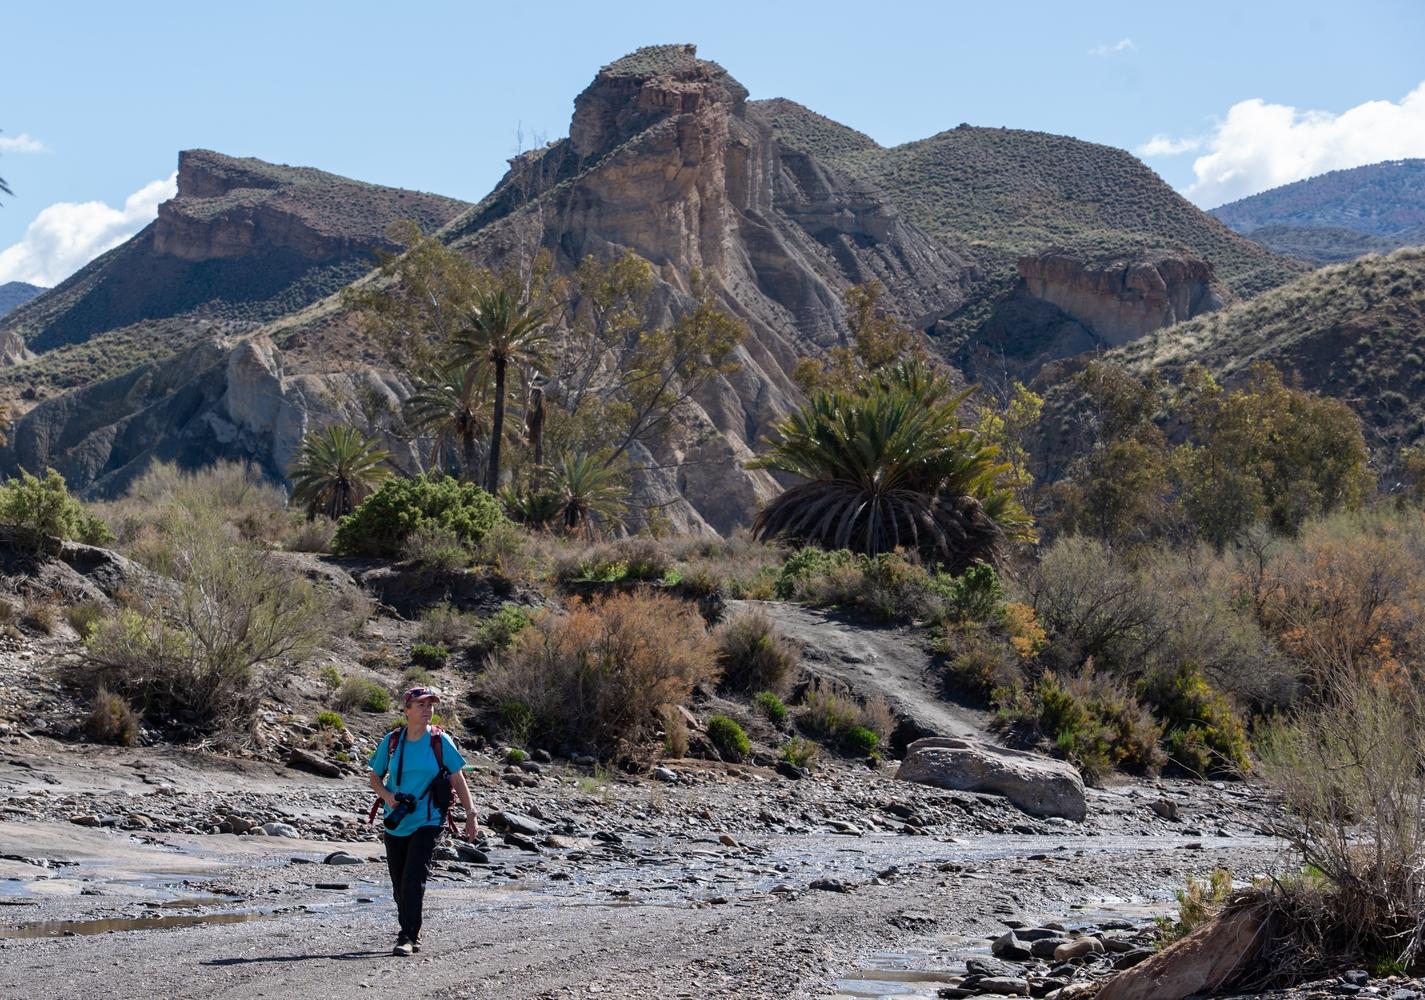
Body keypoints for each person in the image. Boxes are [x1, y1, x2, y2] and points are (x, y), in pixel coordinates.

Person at [368, 686, 479, 956]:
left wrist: (471, 814)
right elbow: (374, 777)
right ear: (406, 710)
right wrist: (388, 796)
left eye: (431, 705)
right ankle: (410, 927)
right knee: (398, 883)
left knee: (413, 878)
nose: (427, 710)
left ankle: (407, 936)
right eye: (421, 705)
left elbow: (457, 778)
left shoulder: (440, 741)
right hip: (396, 820)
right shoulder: (392, 741)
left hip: (429, 819)